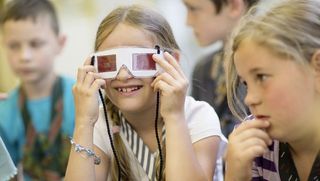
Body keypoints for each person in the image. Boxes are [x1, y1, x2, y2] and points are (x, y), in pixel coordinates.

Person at [65, 5, 227, 181]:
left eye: (140, 61)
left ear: (172, 62)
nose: (124, 75)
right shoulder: (100, 124)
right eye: (109, 63)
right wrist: (83, 122)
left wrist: (174, 117)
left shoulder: (197, 117)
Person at [224, 0, 320, 180]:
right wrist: (236, 176)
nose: (249, 99)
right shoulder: (255, 147)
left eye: (261, 77)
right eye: (246, 84)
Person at [0, 0, 75, 180]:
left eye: (35, 44)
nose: (24, 56)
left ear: (60, 43)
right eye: (14, 46)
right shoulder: (4, 109)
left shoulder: (83, 96)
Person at [182, 0, 260, 137]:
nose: (187, 21)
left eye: (193, 9)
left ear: (234, 6)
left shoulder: (267, 66)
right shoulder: (203, 69)